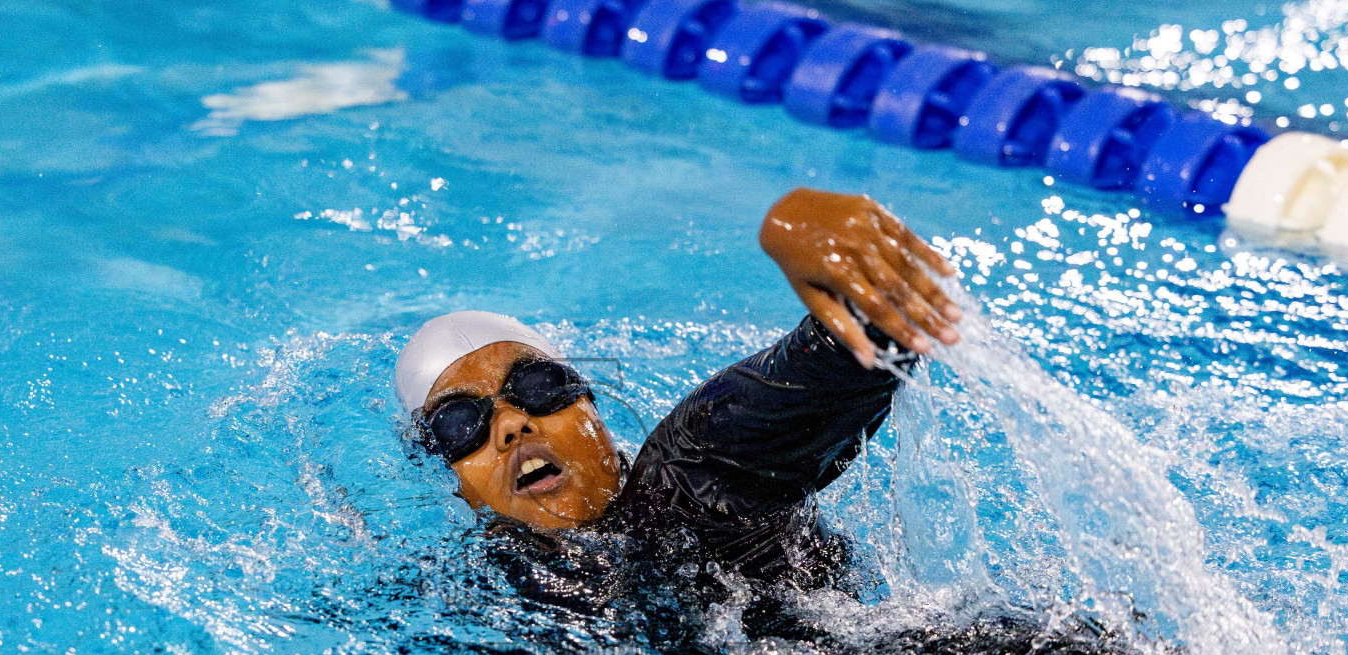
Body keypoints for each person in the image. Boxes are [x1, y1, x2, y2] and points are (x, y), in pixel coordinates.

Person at [394, 188, 963, 587]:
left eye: (539, 385)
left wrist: (797, 228)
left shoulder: (692, 473)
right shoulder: (483, 592)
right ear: (452, 485)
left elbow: (868, 333)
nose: (514, 423)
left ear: (592, 408)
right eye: (459, 424)